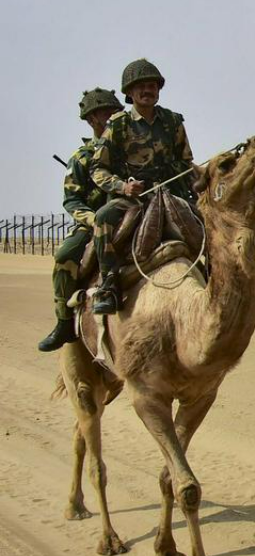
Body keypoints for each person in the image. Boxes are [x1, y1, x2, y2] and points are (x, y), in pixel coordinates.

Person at [89, 58, 197, 315]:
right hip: (133, 198)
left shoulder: (173, 122)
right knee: (104, 217)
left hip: (171, 195)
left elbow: (187, 163)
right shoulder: (118, 125)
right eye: (141, 86)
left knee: (209, 220)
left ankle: (217, 277)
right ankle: (109, 284)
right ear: (129, 92)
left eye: (152, 85)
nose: (147, 90)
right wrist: (122, 187)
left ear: (159, 90)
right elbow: (97, 169)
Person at [36, 88, 124, 351]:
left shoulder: (128, 150)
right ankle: (64, 322)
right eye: (104, 112)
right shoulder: (80, 159)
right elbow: (72, 201)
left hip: (132, 212)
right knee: (64, 256)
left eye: (114, 110)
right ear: (90, 119)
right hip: (94, 223)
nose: (111, 115)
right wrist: (93, 219)